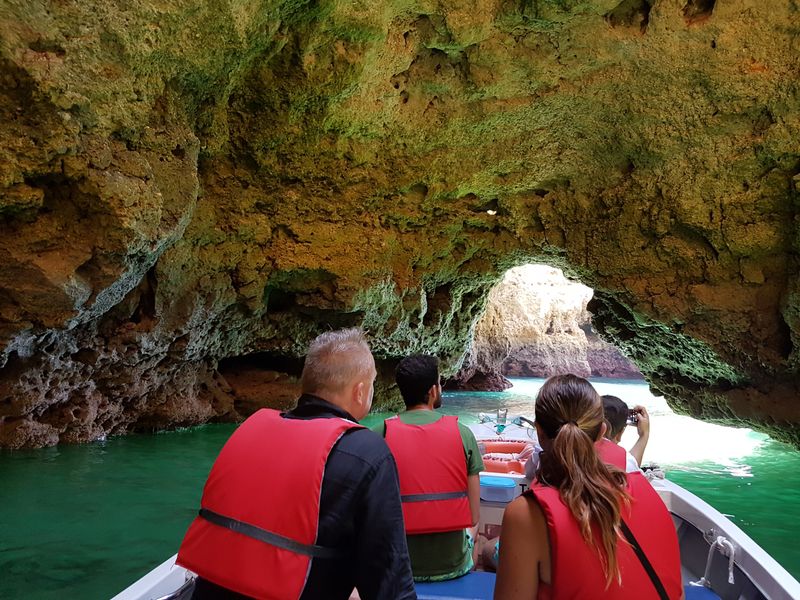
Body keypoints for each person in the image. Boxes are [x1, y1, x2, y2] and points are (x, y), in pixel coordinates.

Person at [176, 328, 416, 600]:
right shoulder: (368, 453)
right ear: (360, 392)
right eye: (372, 383)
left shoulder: (250, 431)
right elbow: (390, 582)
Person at [494, 374, 683, 600]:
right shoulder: (647, 494)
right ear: (602, 432)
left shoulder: (525, 515)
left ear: (539, 431)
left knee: (490, 551)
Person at [371, 354, 483, 582]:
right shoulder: (463, 434)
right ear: (433, 391)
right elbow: (473, 516)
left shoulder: (378, 434)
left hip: (397, 566)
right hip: (453, 566)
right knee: (478, 537)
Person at [602, 394, 650, 468]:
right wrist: (644, 434)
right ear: (619, 435)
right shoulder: (618, 464)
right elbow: (631, 466)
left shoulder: (580, 447)